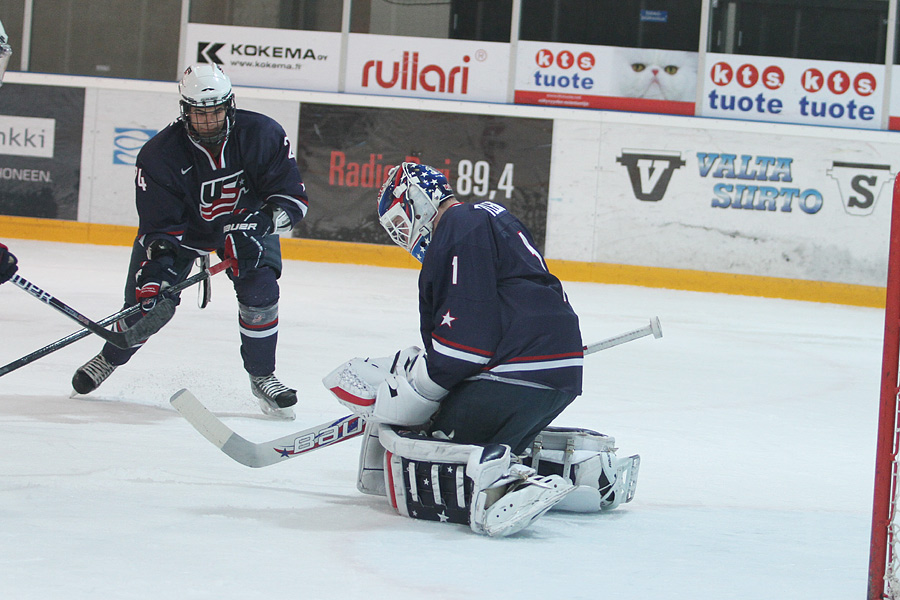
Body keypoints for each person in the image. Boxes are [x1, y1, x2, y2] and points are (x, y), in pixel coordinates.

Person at [324, 162, 639, 536]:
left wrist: (416, 390)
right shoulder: (485, 217)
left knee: (429, 443)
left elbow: (464, 348)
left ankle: (501, 484)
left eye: (400, 220)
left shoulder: (457, 228)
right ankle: (584, 469)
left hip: (518, 369)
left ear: (419, 199)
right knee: (496, 437)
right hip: (555, 370)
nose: (403, 234)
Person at [71, 64, 309, 420]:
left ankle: (262, 376)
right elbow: (159, 226)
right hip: (183, 234)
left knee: (261, 289)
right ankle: (110, 356)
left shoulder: (263, 133)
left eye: (216, 112)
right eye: (200, 114)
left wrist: (261, 223)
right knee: (147, 305)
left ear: (230, 105)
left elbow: (292, 200)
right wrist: (158, 267)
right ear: (185, 111)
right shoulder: (159, 155)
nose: (209, 121)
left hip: (245, 227)